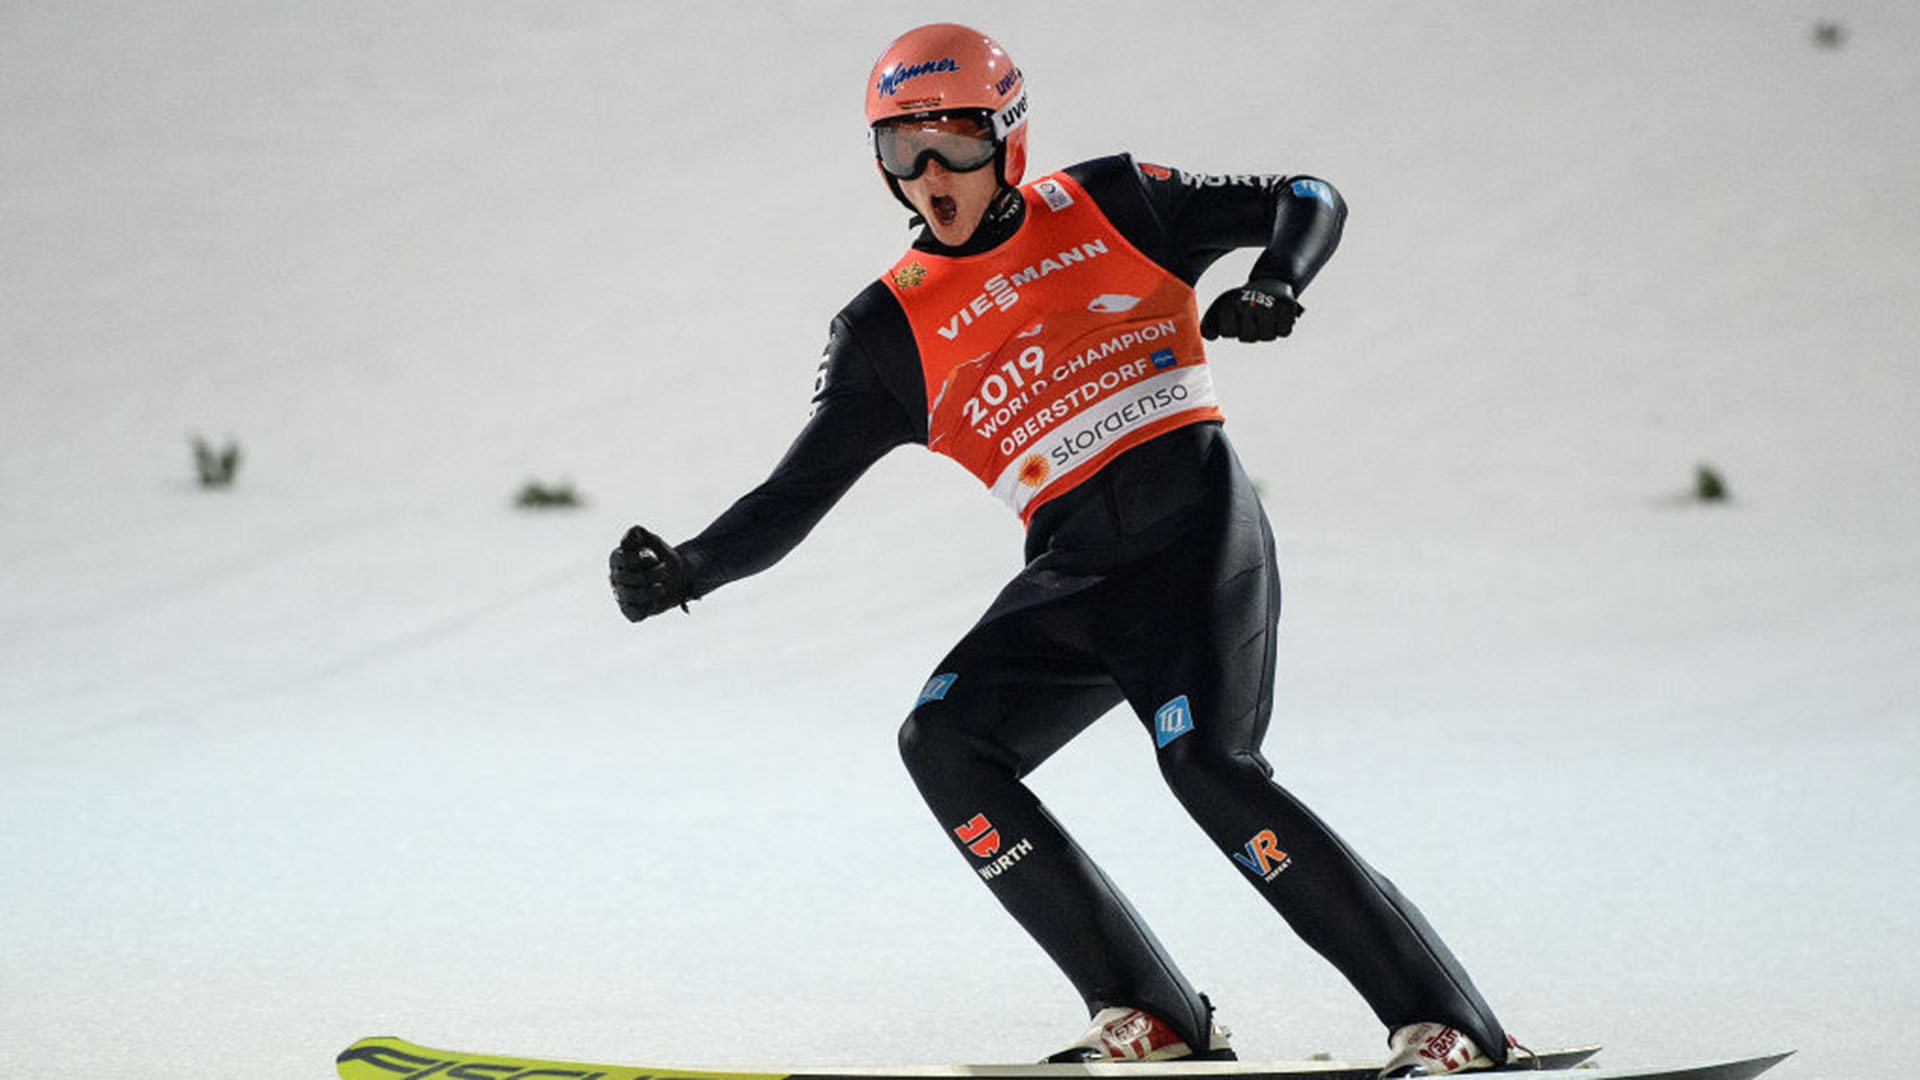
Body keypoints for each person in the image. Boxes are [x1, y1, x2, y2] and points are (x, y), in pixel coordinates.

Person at [611, 23, 1512, 1079]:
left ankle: (1449, 1027)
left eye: (951, 141)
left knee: (1209, 770)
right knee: (942, 742)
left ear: (1011, 139)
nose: (929, 175)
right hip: (1078, 576)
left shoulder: (1112, 203)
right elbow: (790, 498)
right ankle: (1150, 1009)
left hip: (1195, 536)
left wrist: (1280, 278)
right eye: (900, 151)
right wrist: (687, 569)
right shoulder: (885, 331)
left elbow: (1307, 195)